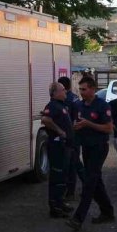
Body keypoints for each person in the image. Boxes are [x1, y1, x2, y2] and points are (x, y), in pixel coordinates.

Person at [66, 76, 116, 232]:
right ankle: (107, 212)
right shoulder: (78, 105)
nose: (81, 92)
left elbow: (109, 128)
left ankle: (78, 218)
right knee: (96, 181)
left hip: (99, 147)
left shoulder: (102, 106)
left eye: (84, 89)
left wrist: (89, 124)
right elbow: (76, 123)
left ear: (93, 89)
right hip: (86, 147)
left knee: (89, 182)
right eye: (80, 89)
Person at [40, 82, 75, 218]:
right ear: (55, 93)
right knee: (57, 176)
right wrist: (60, 131)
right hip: (57, 147)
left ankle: (61, 202)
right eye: (62, 90)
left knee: (63, 177)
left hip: (65, 146)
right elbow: (45, 119)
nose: (65, 92)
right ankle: (55, 207)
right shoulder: (52, 106)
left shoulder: (62, 105)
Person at [58, 76, 83, 199]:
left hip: (69, 136)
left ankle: (70, 191)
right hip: (76, 136)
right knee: (75, 163)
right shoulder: (75, 98)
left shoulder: (66, 99)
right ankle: (72, 190)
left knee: (70, 164)